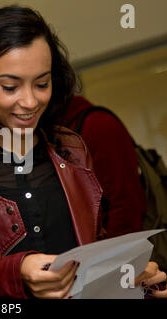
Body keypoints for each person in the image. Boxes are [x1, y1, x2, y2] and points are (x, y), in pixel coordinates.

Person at [0, 5, 167, 299]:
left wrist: (136, 284)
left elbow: (94, 265)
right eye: (10, 87)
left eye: (42, 84)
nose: (30, 101)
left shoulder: (72, 149)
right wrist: (16, 273)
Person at [63, 96, 147, 238]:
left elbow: (125, 204)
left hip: (117, 248)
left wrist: (114, 258)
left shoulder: (96, 125)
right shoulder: (58, 133)